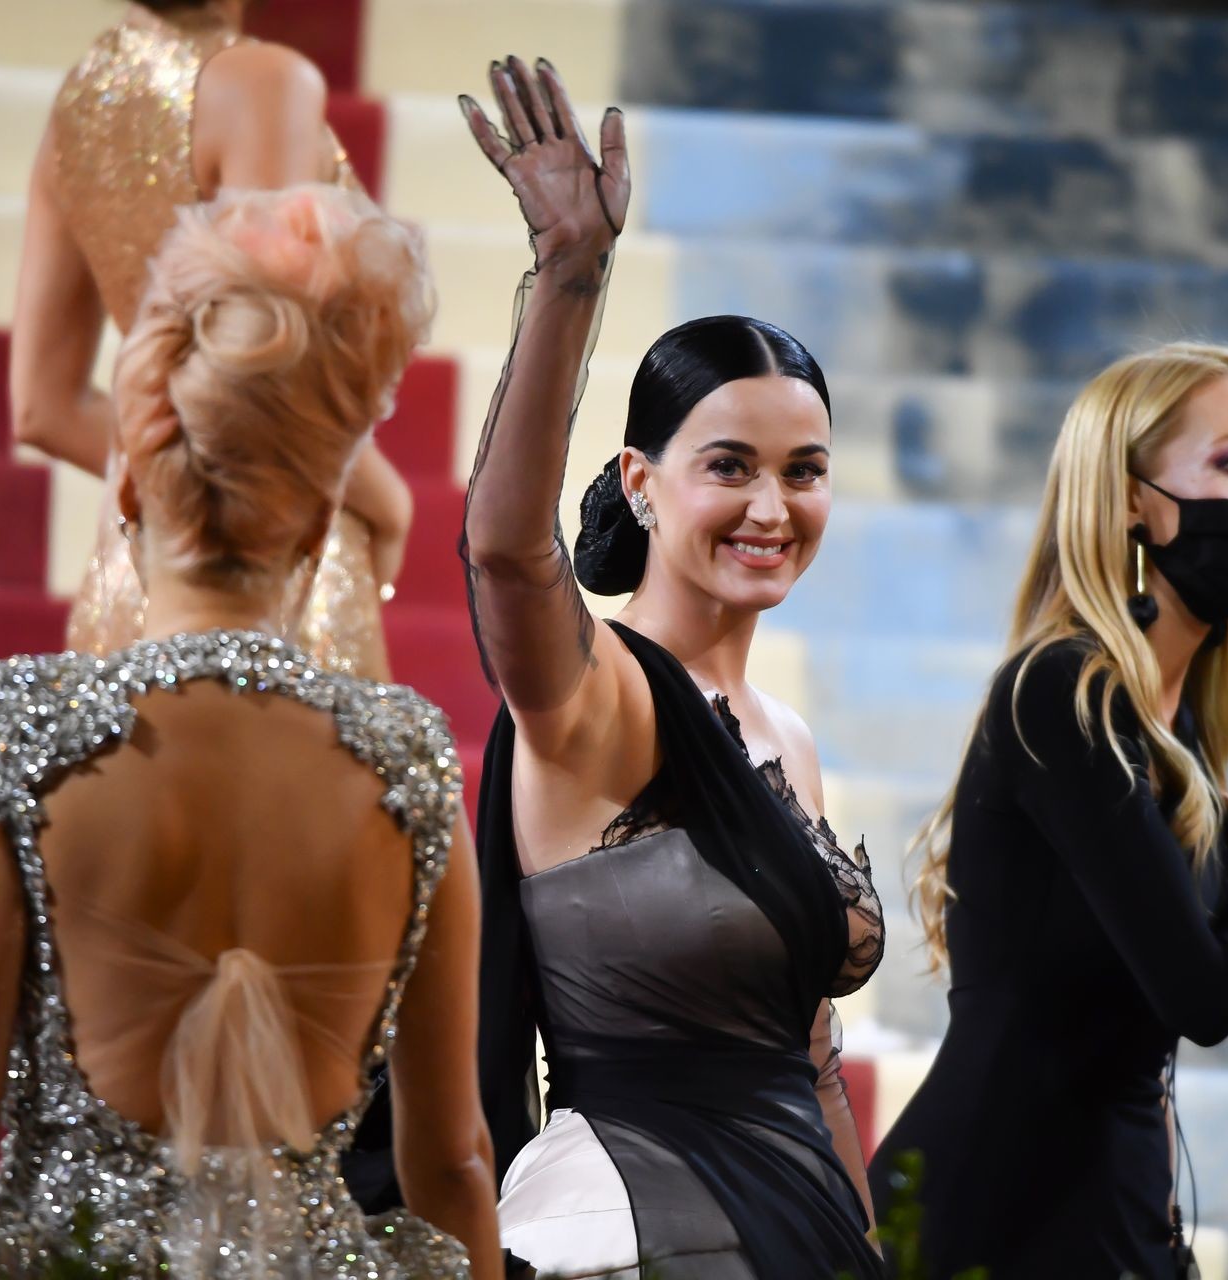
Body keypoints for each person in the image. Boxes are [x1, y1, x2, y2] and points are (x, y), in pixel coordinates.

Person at [0, 182, 500, 1279]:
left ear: (128, 487)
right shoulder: (411, 760)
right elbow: (454, 1159)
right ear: (319, 521)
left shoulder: (11, 730)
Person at [458, 57, 885, 1280]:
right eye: (730, 466)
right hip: (631, 1230)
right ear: (641, 481)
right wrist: (570, 276)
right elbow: (504, 548)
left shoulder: (788, 735)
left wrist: (865, 1245)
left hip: (803, 1233)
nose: (772, 507)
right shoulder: (599, 696)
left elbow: (810, 1053)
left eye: (805, 471)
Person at [868, 342, 1228, 1278]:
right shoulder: (1064, 692)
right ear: (1132, 501)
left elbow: (1134, 1054)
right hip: (991, 1220)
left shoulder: (1177, 729)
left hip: (1114, 1219)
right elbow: (1202, 997)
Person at [12, 0, 413, 679]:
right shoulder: (262, 83)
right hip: (268, 564)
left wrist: (170, 470)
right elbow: (263, 370)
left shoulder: (74, 106)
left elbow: (42, 410)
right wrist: (388, 503)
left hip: (136, 564)